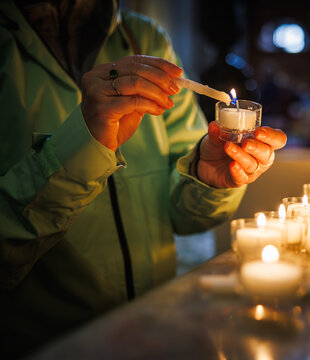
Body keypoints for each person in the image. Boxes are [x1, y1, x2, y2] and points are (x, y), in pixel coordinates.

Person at [0, 0, 286, 358]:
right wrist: (83, 144)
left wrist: (206, 176)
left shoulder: (142, 38)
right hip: (50, 345)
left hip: (156, 330)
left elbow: (185, 217)